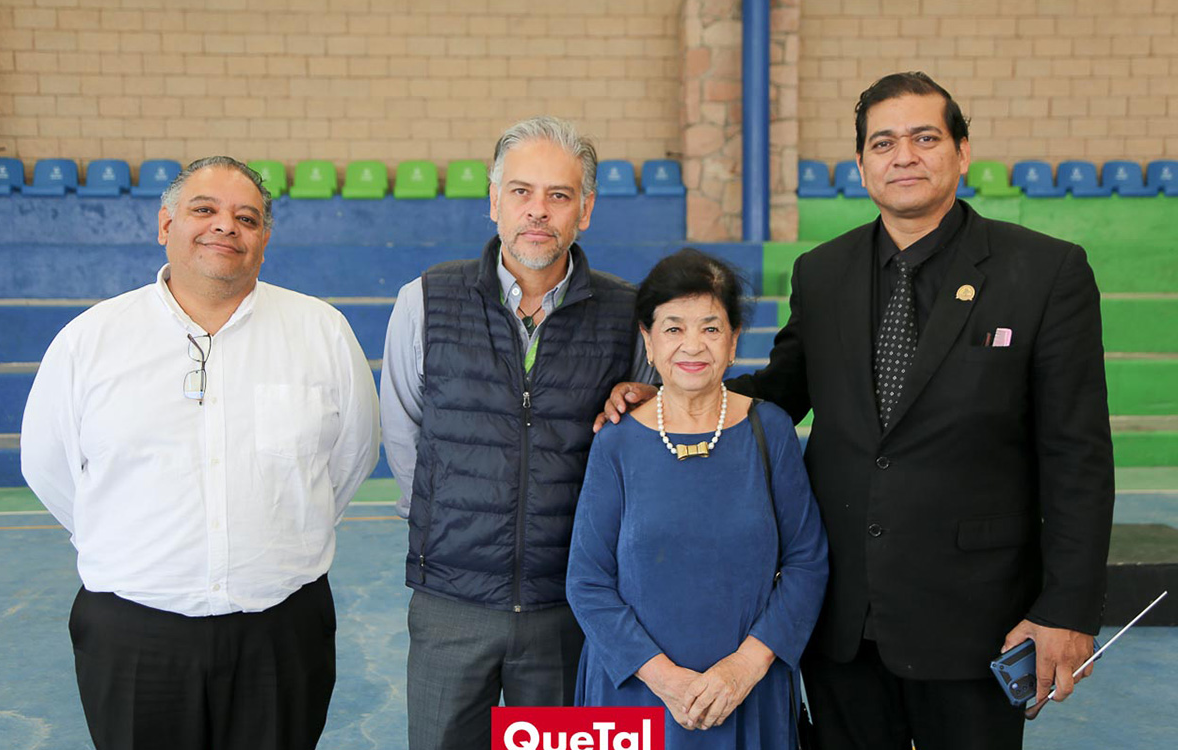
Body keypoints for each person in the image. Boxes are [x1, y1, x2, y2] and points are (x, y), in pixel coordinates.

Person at [599, 72, 1115, 750]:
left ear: (962, 151)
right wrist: (665, 399)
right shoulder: (823, 273)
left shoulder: (1045, 273)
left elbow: (1078, 456)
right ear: (862, 163)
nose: (904, 156)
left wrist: (1067, 609)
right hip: (843, 617)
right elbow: (781, 390)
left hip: (975, 616)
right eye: (883, 142)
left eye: (925, 138)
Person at [20, 156, 381, 750]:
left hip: (282, 628)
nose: (225, 226)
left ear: (264, 237)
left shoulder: (322, 332)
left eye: (247, 217)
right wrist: (130, 547)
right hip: (133, 632)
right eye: (204, 209)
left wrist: (282, 539)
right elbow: (47, 466)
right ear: (166, 224)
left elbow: (352, 455)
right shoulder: (90, 340)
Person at [380, 115, 654, 750]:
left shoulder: (628, 315)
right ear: (494, 200)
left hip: (571, 607)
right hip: (452, 602)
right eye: (521, 191)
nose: (538, 211)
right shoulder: (425, 299)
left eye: (559, 195)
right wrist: (445, 528)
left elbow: (648, 442)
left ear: (585, 210)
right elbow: (403, 430)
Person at [567, 249, 828, 749]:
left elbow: (807, 563)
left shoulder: (769, 429)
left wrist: (743, 668)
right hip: (634, 692)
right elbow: (587, 581)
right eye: (673, 328)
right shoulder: (617, 439)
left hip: (748, 688)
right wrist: (666, 679)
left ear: (733, 341)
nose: (692, 345)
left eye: (711, 328)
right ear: (648, 340)